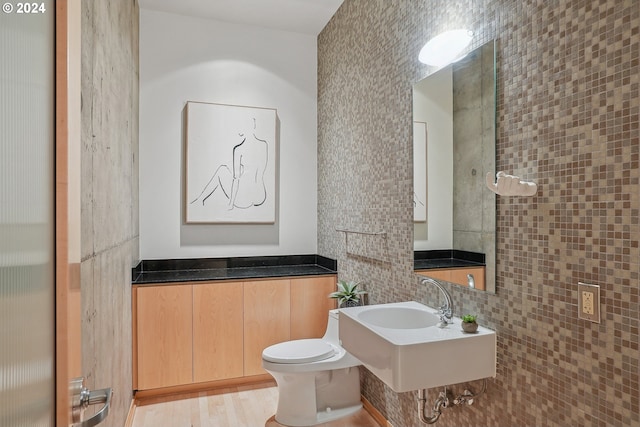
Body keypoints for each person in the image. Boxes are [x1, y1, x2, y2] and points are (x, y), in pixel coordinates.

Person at [190, 117, 269, 210]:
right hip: (260, 196)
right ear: (254, 126)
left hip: (244, 199)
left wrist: (231, 203)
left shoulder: (239, 149)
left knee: (221, 170)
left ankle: (200, 199)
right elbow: (260, 169)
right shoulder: (264, 145)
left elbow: (236, 178)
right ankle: (200, 199)